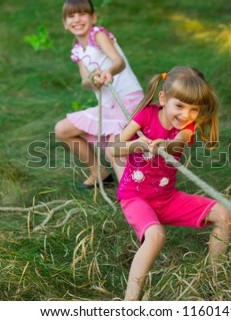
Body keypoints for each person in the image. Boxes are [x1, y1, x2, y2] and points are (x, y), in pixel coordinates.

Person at [107, 66, 231, 300]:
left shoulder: (186, 128)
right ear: (163, 99)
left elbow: (178, 143)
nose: (186, 114)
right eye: (180, 106)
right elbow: (113, 150)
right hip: (135, 197)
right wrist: (138, 145)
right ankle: (129, 303)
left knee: (223, 215)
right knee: (156, 236)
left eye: (194, 109)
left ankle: (215, 278)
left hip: (166, 198)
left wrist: (163, 145)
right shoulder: (145, 116)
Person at [54, 0, 144, 189]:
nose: (77, 19)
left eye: (82, 14)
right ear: (65, 23)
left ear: (93, 18)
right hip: (107, 105)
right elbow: (85, 81)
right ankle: (99, 173)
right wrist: (92, 80)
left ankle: (131, 193)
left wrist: (109, 72)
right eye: (71, 16)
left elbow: (119, 62)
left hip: (127, 99)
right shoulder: (77, 50)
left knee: (114, 148)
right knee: (62, 129)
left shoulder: (98, 35)